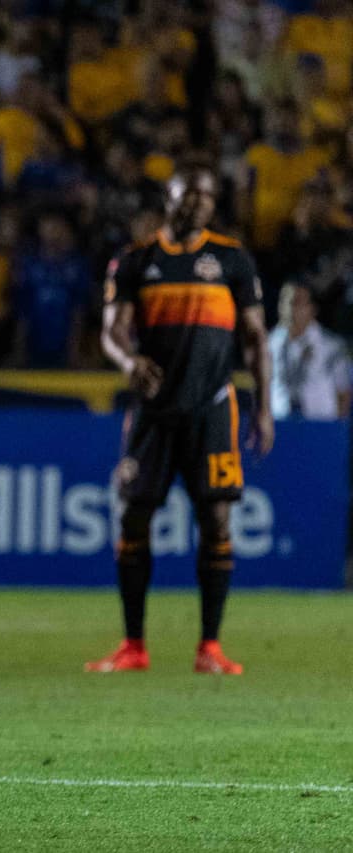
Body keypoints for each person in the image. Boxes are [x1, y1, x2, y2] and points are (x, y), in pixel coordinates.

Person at [88, 165, 273, 676]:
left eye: (206, 196)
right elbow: (111, 331)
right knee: (133, 518)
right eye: (187, 194)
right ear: (167, 199)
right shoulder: (135, 260)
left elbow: (256, 339)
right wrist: (128, 362)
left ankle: (209, 647)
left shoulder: (232, 260)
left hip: (212, 407)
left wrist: (265, 407)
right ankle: (133, 646)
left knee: (217, 520)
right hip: (152, 412)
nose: (196, 203)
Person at [269, 281, 351, 420]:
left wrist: (334, 431)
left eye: (297, 303)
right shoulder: (270, 344)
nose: (290, 309)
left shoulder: (331, 346)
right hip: (281, 426)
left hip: (320, 427)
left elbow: (344, 394)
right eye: (286, 302)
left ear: (312, 309)